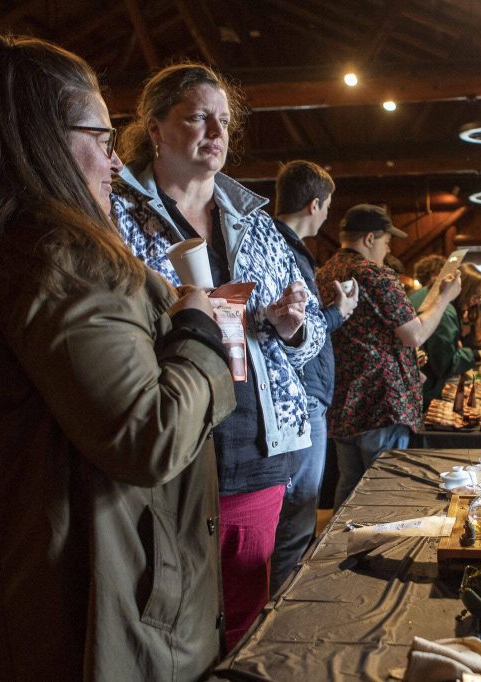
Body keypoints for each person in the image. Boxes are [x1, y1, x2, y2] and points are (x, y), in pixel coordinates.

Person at [0, 32, 234, 679]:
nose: (114, 163)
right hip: (84, 618)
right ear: (42, 136)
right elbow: (148, 436)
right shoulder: (61, 259)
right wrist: (197, 333)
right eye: (102, 139)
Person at [112, 63, 326, 650]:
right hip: (169, 431)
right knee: (164, 609)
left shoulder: (255, 223)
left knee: (245, 606)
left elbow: (311, 346)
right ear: (155, 129)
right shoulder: (114, 215)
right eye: (198, 117)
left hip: (253, 435)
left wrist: (287, 326)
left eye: (224, 120)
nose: (216, 131)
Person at [315, 204, 460, 507]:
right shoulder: (375, 274)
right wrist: (444, 297)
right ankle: (379, 555)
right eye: (386, 241)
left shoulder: (325, 272)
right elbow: (415, 334)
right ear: (370, 238)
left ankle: (341, 553)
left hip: (343, 401)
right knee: (387, 492)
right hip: (382, 403)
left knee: (350, 488)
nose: (387, 247)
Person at [270, 160, 358, 592]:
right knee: (296, 519)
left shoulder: (278, 246)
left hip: (302, 396)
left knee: (295, 517)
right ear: (315, 203)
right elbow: (292, 329)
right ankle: (276, 625)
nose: (327, 216)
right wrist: (338, 313)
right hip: (300, 398)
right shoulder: (283, 248)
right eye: (327, 207)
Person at [410, 263, 481, 406]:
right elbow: (444, 364)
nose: (476, 303)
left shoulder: (425, 293)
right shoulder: (445, 311)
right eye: (475, 297)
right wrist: (477, 355)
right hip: (422, 392)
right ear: (463, 289)